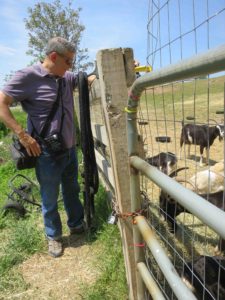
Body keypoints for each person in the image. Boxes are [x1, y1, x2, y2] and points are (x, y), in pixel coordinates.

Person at [0, 37, 96, 258]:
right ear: (54, 57)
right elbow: (2, 103)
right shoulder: (27, 76)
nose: (71, 66)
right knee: (49, 196)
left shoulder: (66, 78)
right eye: (68, 61)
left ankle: (76, 224)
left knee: (71, 189)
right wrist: (23, 135)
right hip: (45, 152)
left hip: (70, 148)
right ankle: (53, 236)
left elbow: (87, 79)